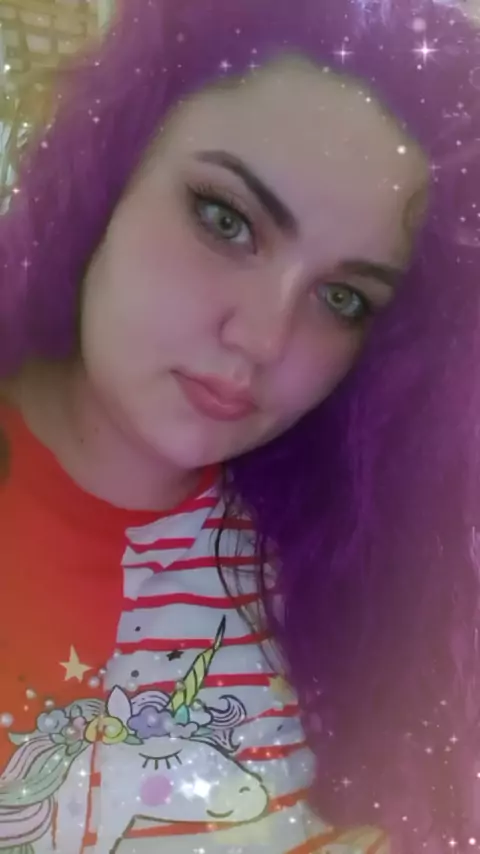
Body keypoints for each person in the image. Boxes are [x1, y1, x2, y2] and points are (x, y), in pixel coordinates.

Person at [0, 0, 478, 851]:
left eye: (342, 297)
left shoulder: (344, 558)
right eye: (225, 220)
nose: (264, 339)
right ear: (110, 173)